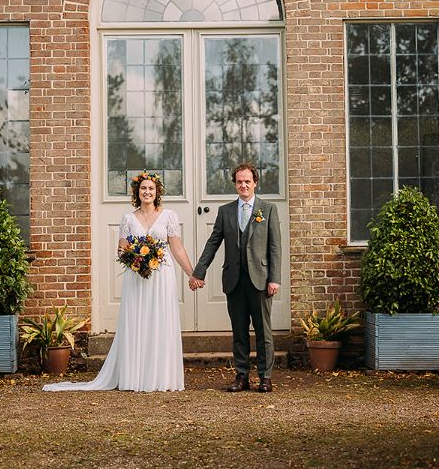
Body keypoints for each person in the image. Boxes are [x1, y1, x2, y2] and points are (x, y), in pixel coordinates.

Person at [44, 171, 195, 392]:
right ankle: (136, 377)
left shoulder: (168, 216)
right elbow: (121, 249)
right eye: (143, 188)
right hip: (136, 277)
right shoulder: (128, 219)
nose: (147, 192)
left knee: (161, 321)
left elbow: (177, 248)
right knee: (137, 321)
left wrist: (192, 273)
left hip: (162, 276)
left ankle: (161, 377)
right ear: (137, 192)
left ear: (157, 192)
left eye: (151, 189)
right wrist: (136, 257)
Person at [189, 163, 282, 392]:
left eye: (247, 181)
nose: (243, 185)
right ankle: (241, 376)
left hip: (260, 279)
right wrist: (199, 271)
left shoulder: (267, 209)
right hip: (234, 280)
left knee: (263, 332)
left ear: (255, 183)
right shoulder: (225, 211)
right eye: (239, 181)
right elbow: (213, 243)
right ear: (235, 184)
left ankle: (265, 377)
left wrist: (274, 278)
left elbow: (275, 247)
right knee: (239, 331)